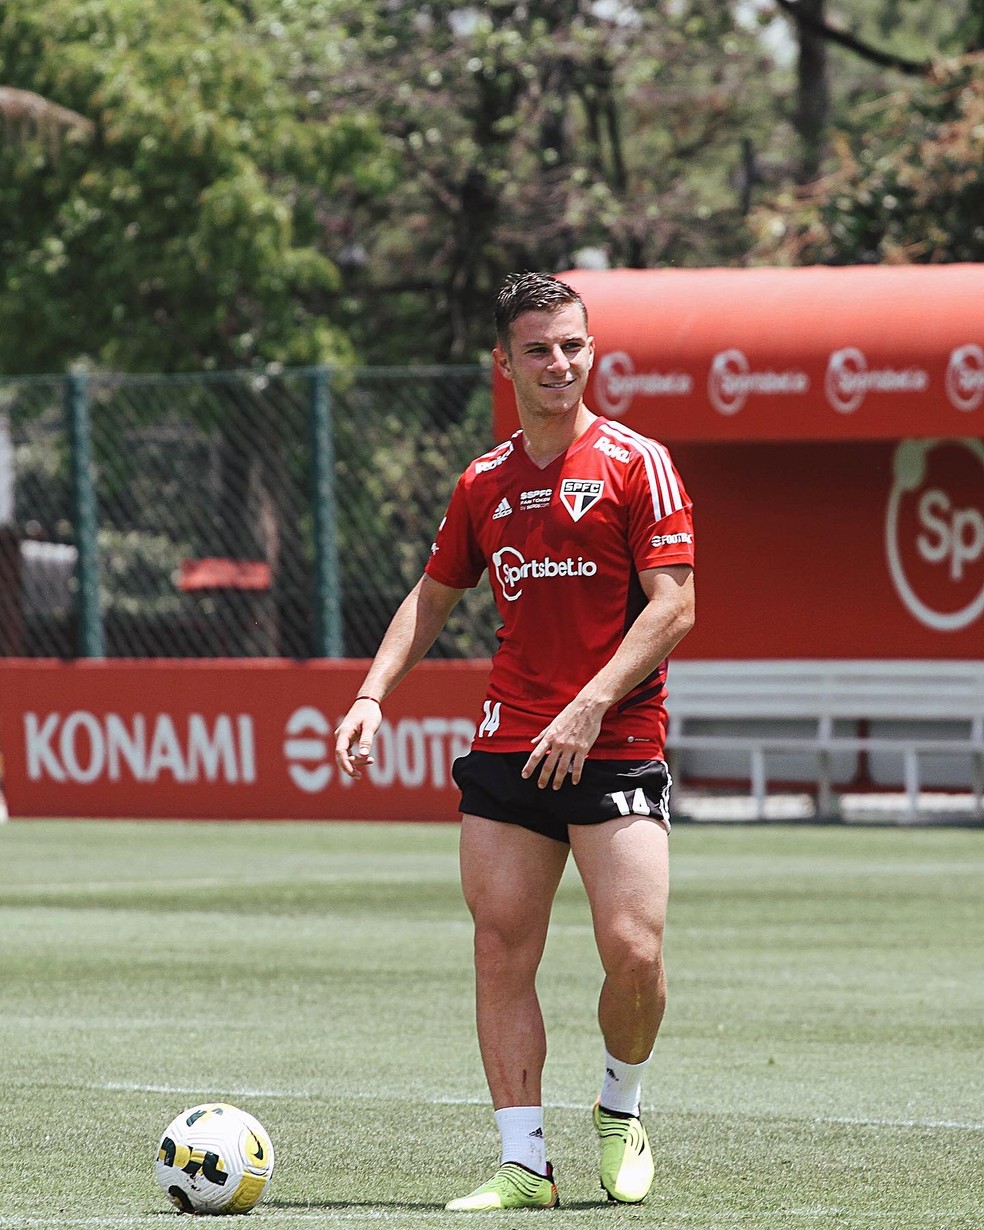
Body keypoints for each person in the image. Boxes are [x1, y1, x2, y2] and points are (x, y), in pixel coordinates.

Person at [334, 272, 695, 1211]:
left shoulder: (638, 464)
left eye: (572, 345)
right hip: (510, 748)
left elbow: (675, 608)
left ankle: (620, 1106)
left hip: (616, 742)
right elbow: (432, 597)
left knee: (635, 950)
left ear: (591, 351)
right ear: (505, 362)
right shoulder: (483, 482)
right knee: (501, 949)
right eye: (537, 348)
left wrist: (590, 704)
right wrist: (371, 693)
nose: (558, 363)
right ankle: (524, 1164)